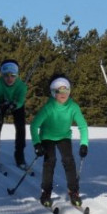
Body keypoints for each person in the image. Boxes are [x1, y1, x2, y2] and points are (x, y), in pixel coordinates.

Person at [30, 75, 89, 207]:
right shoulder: (48, 107)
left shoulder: (73, 107)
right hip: (47, 137)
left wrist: (84, 143)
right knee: (50, 161)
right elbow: (34, 126)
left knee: (68, 160)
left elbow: (83, 126)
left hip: (64, 136)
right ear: (53, 92)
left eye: (65, 91)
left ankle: (73, 192)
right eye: (59, 91)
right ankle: (46, 192)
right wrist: (37, 143)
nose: (63, 94)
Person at [0, 60, 29, 169]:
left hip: (17, 105)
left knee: (21, 128)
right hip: (1, 105)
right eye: (6, 75)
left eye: (13, 75)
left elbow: (21, 101)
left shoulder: (21, 86)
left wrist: (14, 105)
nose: (9, 78)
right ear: (2, 75)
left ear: (17, 75)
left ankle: (20, 157)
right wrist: (1, 104)